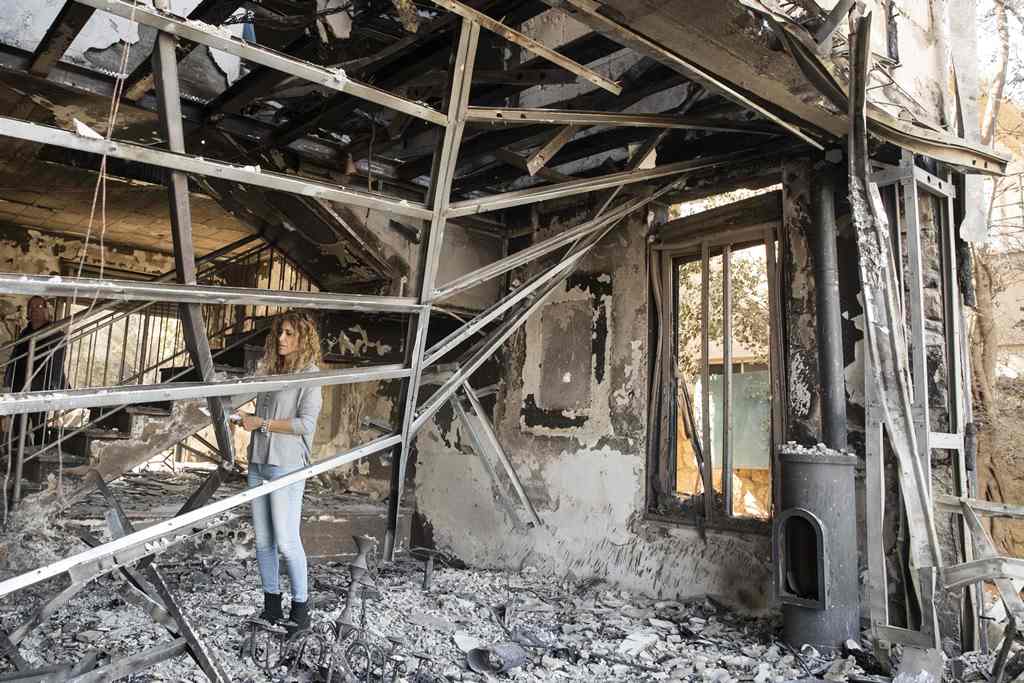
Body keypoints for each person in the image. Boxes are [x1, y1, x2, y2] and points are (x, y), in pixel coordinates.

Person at [238, 311, 323, 635]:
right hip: (258, 462)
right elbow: (264, 417)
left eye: (289, 334)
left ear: (303, 339)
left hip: (286, 466)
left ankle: (301, 611)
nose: (282, 339)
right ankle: (272, 606)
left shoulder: (310, 376)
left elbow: (306, 425)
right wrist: (247, 418)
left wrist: (262, 423)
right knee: (264, 542)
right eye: (279, 334)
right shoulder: (273, 372)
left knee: (287, 542)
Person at [1, 296, 68, 445]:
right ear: (28, 313)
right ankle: (20, 457)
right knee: (18, 426)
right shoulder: (25, 332)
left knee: (39, 426)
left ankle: (38, 458)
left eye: (38, 307)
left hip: (41, 386)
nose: (34, 311)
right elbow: (15, 358)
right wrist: (8, 382)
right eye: (31, 308)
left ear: (46, 310)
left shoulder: (55, 333)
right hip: (20, 386)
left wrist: (55, 386)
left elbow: (57, 363)